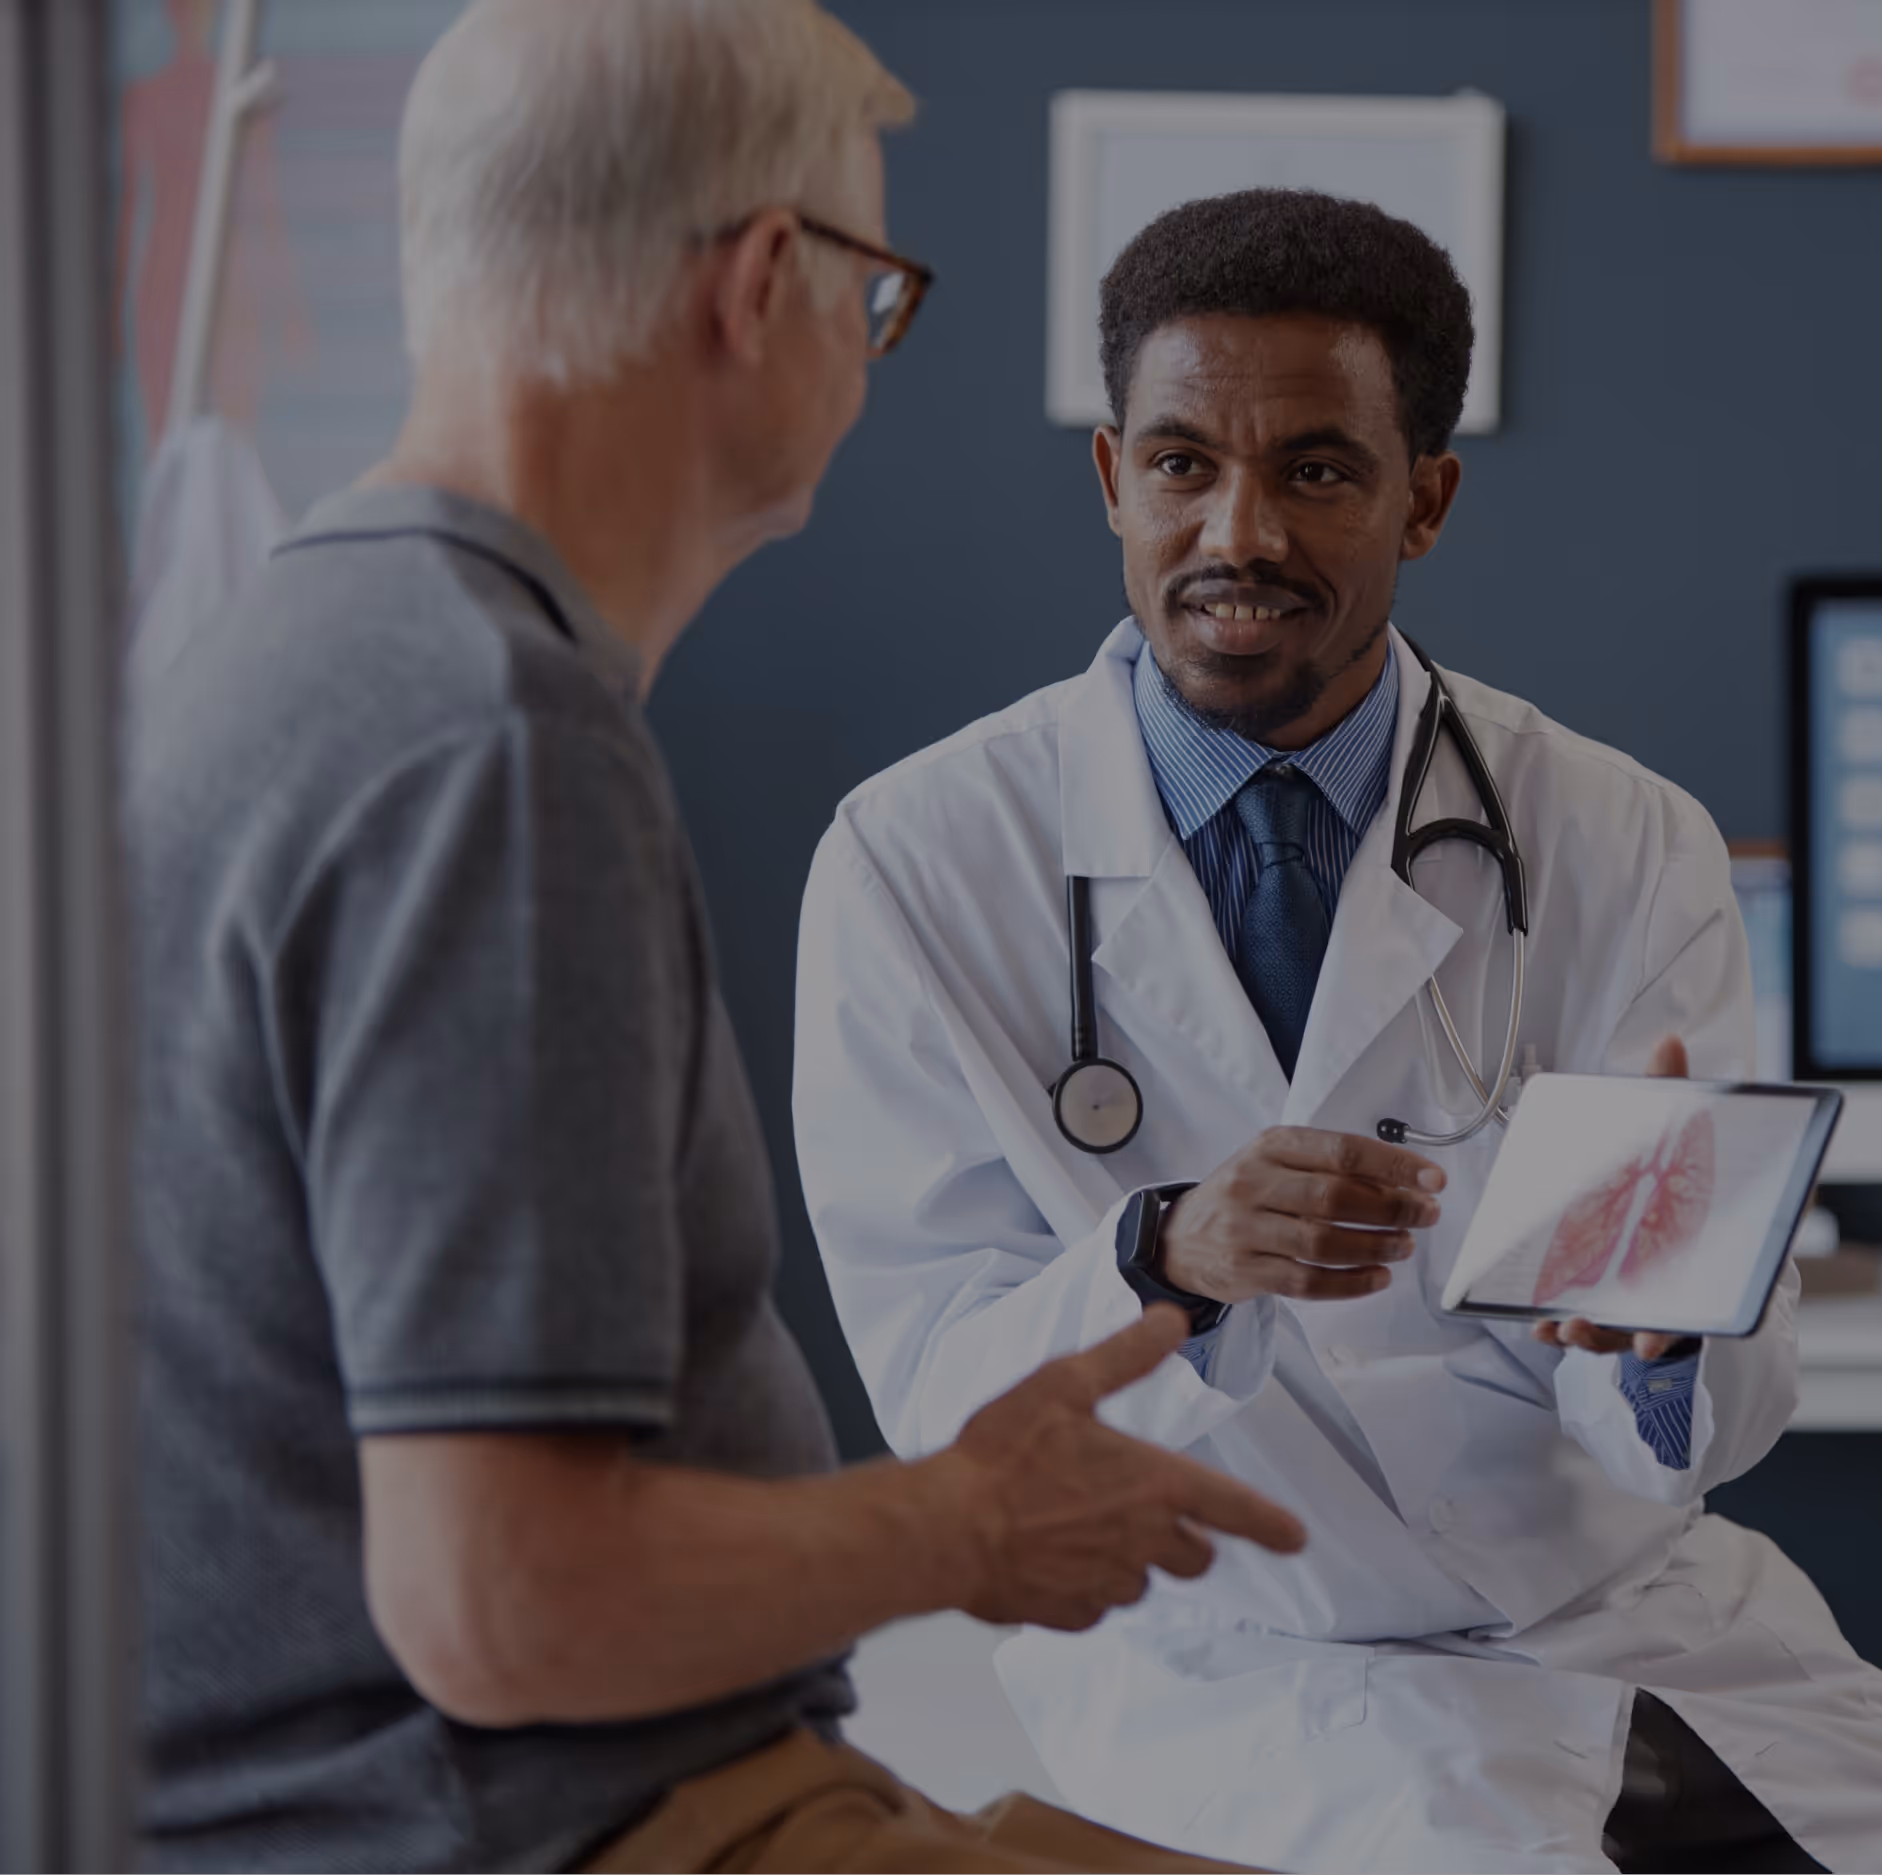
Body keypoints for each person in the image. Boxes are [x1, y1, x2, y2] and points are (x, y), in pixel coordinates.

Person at [125, 7, 1299, 1871]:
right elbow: (506, 1601)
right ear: (766, 282)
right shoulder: (488, 741)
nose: (868, 347)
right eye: (875, 291)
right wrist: (970, 1526)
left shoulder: (300, 657)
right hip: (560, 1823)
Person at [794, 189, 1882, 1874]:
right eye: (1181, 465)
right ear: (1111, 479)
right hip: (1239, 1655)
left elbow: (1711, 1414)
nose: (1239, 532)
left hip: (1628, 1616)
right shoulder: (921, 857)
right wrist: (1169, 1253)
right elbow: (943, 1402)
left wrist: (1664, 1339)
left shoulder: (1621, 839)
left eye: (1315, 468)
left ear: (1425, 497)